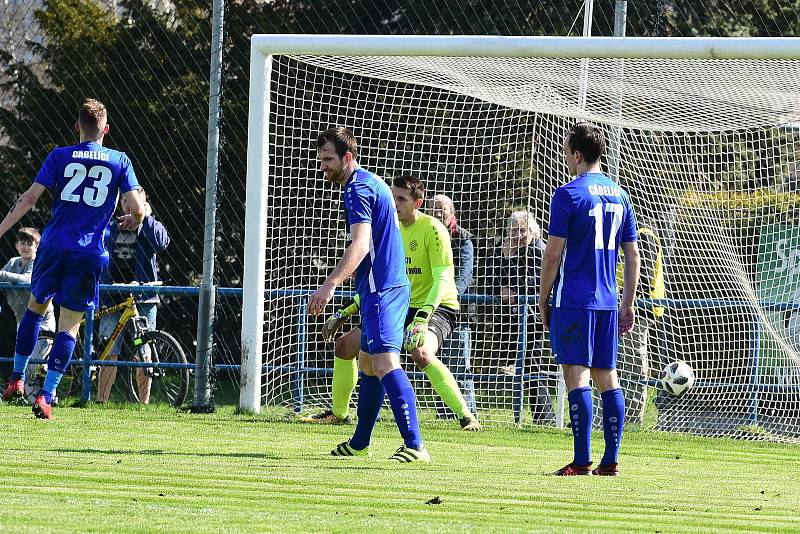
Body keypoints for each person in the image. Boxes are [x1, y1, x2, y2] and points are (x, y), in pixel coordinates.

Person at [0, 98, 144, 419]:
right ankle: (47, 396)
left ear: (77, 126)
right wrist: (136, 218)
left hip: (52, 246)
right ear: (105, 129)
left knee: (35, 310)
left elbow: (29, 198)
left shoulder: (59, 156)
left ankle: (17, 379)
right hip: (89, 252)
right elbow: (136, 207)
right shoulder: (120, 161)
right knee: (69, 326)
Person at [303, 177, 481, 431]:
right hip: (399, 304)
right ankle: (339, 414)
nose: (395, 203)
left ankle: (466, 416)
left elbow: (443, 279)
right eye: (392, 197)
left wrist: (422, 318)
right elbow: (383, 281)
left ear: (417, 203)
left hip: (437, 306)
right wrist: (349, 309)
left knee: (421, 352)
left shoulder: (433, 229)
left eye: (402, 199)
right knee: (345, 346)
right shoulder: (389, 229)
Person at [307, 127, 429, 463]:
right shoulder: (373, 182)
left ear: (348, 157)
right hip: (383, 287)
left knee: (385, 362)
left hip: (382, 289)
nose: (323, 167)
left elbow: (361, 244)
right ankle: (360, 441)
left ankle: (416, 445)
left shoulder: (357, 189)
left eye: (329, 159)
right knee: (367, 363)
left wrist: (330, 284)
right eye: (321, 160)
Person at [538, 121, 640, 476]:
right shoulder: (621, 195)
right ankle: (610, 460)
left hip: (575, 299)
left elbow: (552, 255)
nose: (567, 158)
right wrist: (627, 303)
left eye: (568, 153)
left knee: (576, 375)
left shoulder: (568, 194)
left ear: (577, 155)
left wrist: (543, 297)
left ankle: (582, 460)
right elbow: (632, 256)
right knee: (607, 376)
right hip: (608, 302)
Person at [96, 188, 170, 403]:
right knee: (109, 350)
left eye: (135, 202)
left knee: (144, 350)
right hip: (112, 296)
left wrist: (144, 218)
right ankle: (101, 402)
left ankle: (143, 404)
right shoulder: (110, 225)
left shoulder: (149, 224)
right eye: (126, 201)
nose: (129, 206)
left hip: (143, 298)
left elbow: (162, 243)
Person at [489, 210, 556, 425]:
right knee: (525, 366)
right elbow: (491, 278)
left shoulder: (539, 250)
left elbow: (539, 281)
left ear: (532, 231)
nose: (518, 235)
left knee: (532, 366)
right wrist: (505, 261)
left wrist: (515, 293)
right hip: (514, 318)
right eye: (514, 231)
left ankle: (545, 417)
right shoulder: (506, 250)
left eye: (522, 231)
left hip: (536, 317)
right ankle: (542, 416)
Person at [612, 220, 664, 425]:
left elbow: (642, 273)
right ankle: (606, 418)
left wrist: (625, 303)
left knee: (633, 365)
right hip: (613, 306)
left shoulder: (643, 233)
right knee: (610, 365)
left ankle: (633, 420)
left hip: (636, 311)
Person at [431, 193, 477, 418]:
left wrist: (445, 296)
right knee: (435, 363)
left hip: (456, 313)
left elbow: (464, 277)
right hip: (430, 311)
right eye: (433, 207)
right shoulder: (426, 233)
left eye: (442, 208)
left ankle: (467, 413)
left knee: (460, 366)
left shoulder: (464, 239)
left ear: (452, 213)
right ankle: (443, 414)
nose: (437, 212)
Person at [0, 228, 56, 400]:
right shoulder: (13, 262)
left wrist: (3, 275)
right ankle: (25, 397)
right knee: (23, 363)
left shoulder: (37, 262)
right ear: (16, 245)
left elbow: (28, 279)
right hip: (21, 319)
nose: (25, 247)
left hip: (42, 323)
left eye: (29, 243)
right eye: (22, 243)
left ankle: (45, 397)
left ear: (37, 247)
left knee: (34, 364)